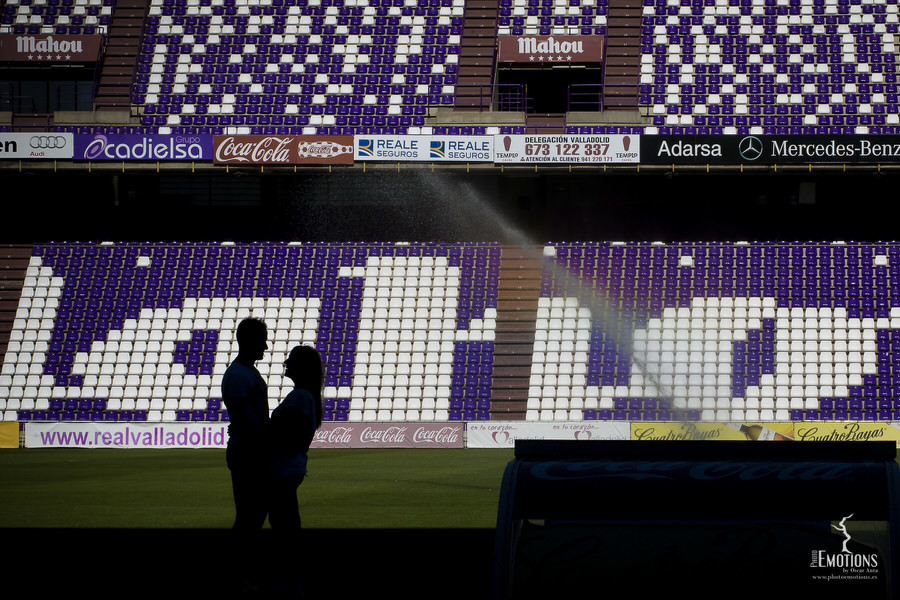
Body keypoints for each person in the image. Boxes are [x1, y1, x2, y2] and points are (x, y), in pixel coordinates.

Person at [221, 317, 272, 532]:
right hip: (248, 452)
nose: (265, 346)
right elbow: (243, 420)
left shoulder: (245, 372)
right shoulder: (239, 375)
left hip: (249, 449)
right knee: (250, 515)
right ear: (250, 341)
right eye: (262, 340)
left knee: (255, 513)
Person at [268, 344, 324, 531]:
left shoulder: (300, 397)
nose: (287, 364)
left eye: (291, 361)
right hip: (291, 466)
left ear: (301, 367)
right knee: (286, 517)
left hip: (283, 468)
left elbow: (286, 435)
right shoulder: (306, 396)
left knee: (283, 520)